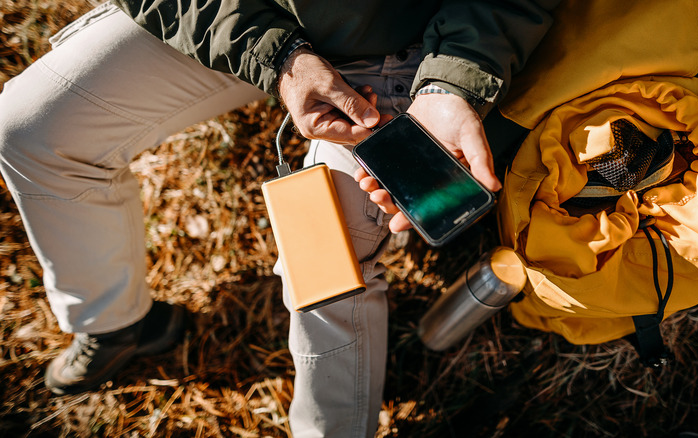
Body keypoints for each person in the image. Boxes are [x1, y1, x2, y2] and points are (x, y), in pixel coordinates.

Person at [0, 0, 559, 436]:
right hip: (237, 21)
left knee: (326, 263)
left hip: (417, 41)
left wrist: (454, 80)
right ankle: (115, 321)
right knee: (29, 130)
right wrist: (279, 57)